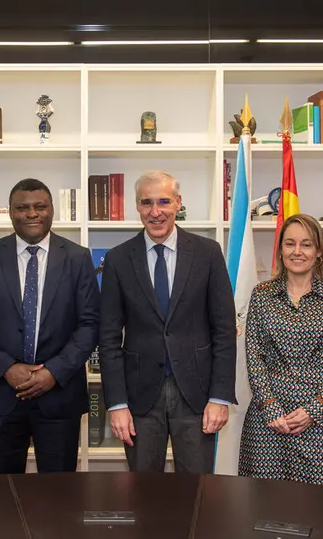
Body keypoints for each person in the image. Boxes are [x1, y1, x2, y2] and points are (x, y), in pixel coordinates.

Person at [98, 171, 236, 473]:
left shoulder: (207, 253)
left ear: (178, 202)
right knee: (143, 494)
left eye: (163, 202)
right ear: (137, 206)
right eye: (146, 203)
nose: (155, 212)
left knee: (197, 493)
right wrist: (117, 404)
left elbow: (225, 330)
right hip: (139, 397)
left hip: (197, 394)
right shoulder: (118, 259)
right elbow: (108, 338)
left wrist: (220, 396)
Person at [0, 178, 99, 473]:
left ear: (52, 210)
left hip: (59, 397)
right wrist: (7, 368)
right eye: (22, 207)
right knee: (2, 495)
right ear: (10, 212)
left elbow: (89, 324)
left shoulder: (77, 257)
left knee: (58, 495)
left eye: (40, 207)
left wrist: (53, 372)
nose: (32, 213)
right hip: (1, 395)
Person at [238, 213, 323, 487]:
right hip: (269, 420)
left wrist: (314, 409)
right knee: (264, 507)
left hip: (322, 419)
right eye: (290, 243)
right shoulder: (262, 295)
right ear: (280, 250)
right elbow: (254, 355)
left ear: (319, 252)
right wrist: (269, 407)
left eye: (306, 244)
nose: (297, 251)